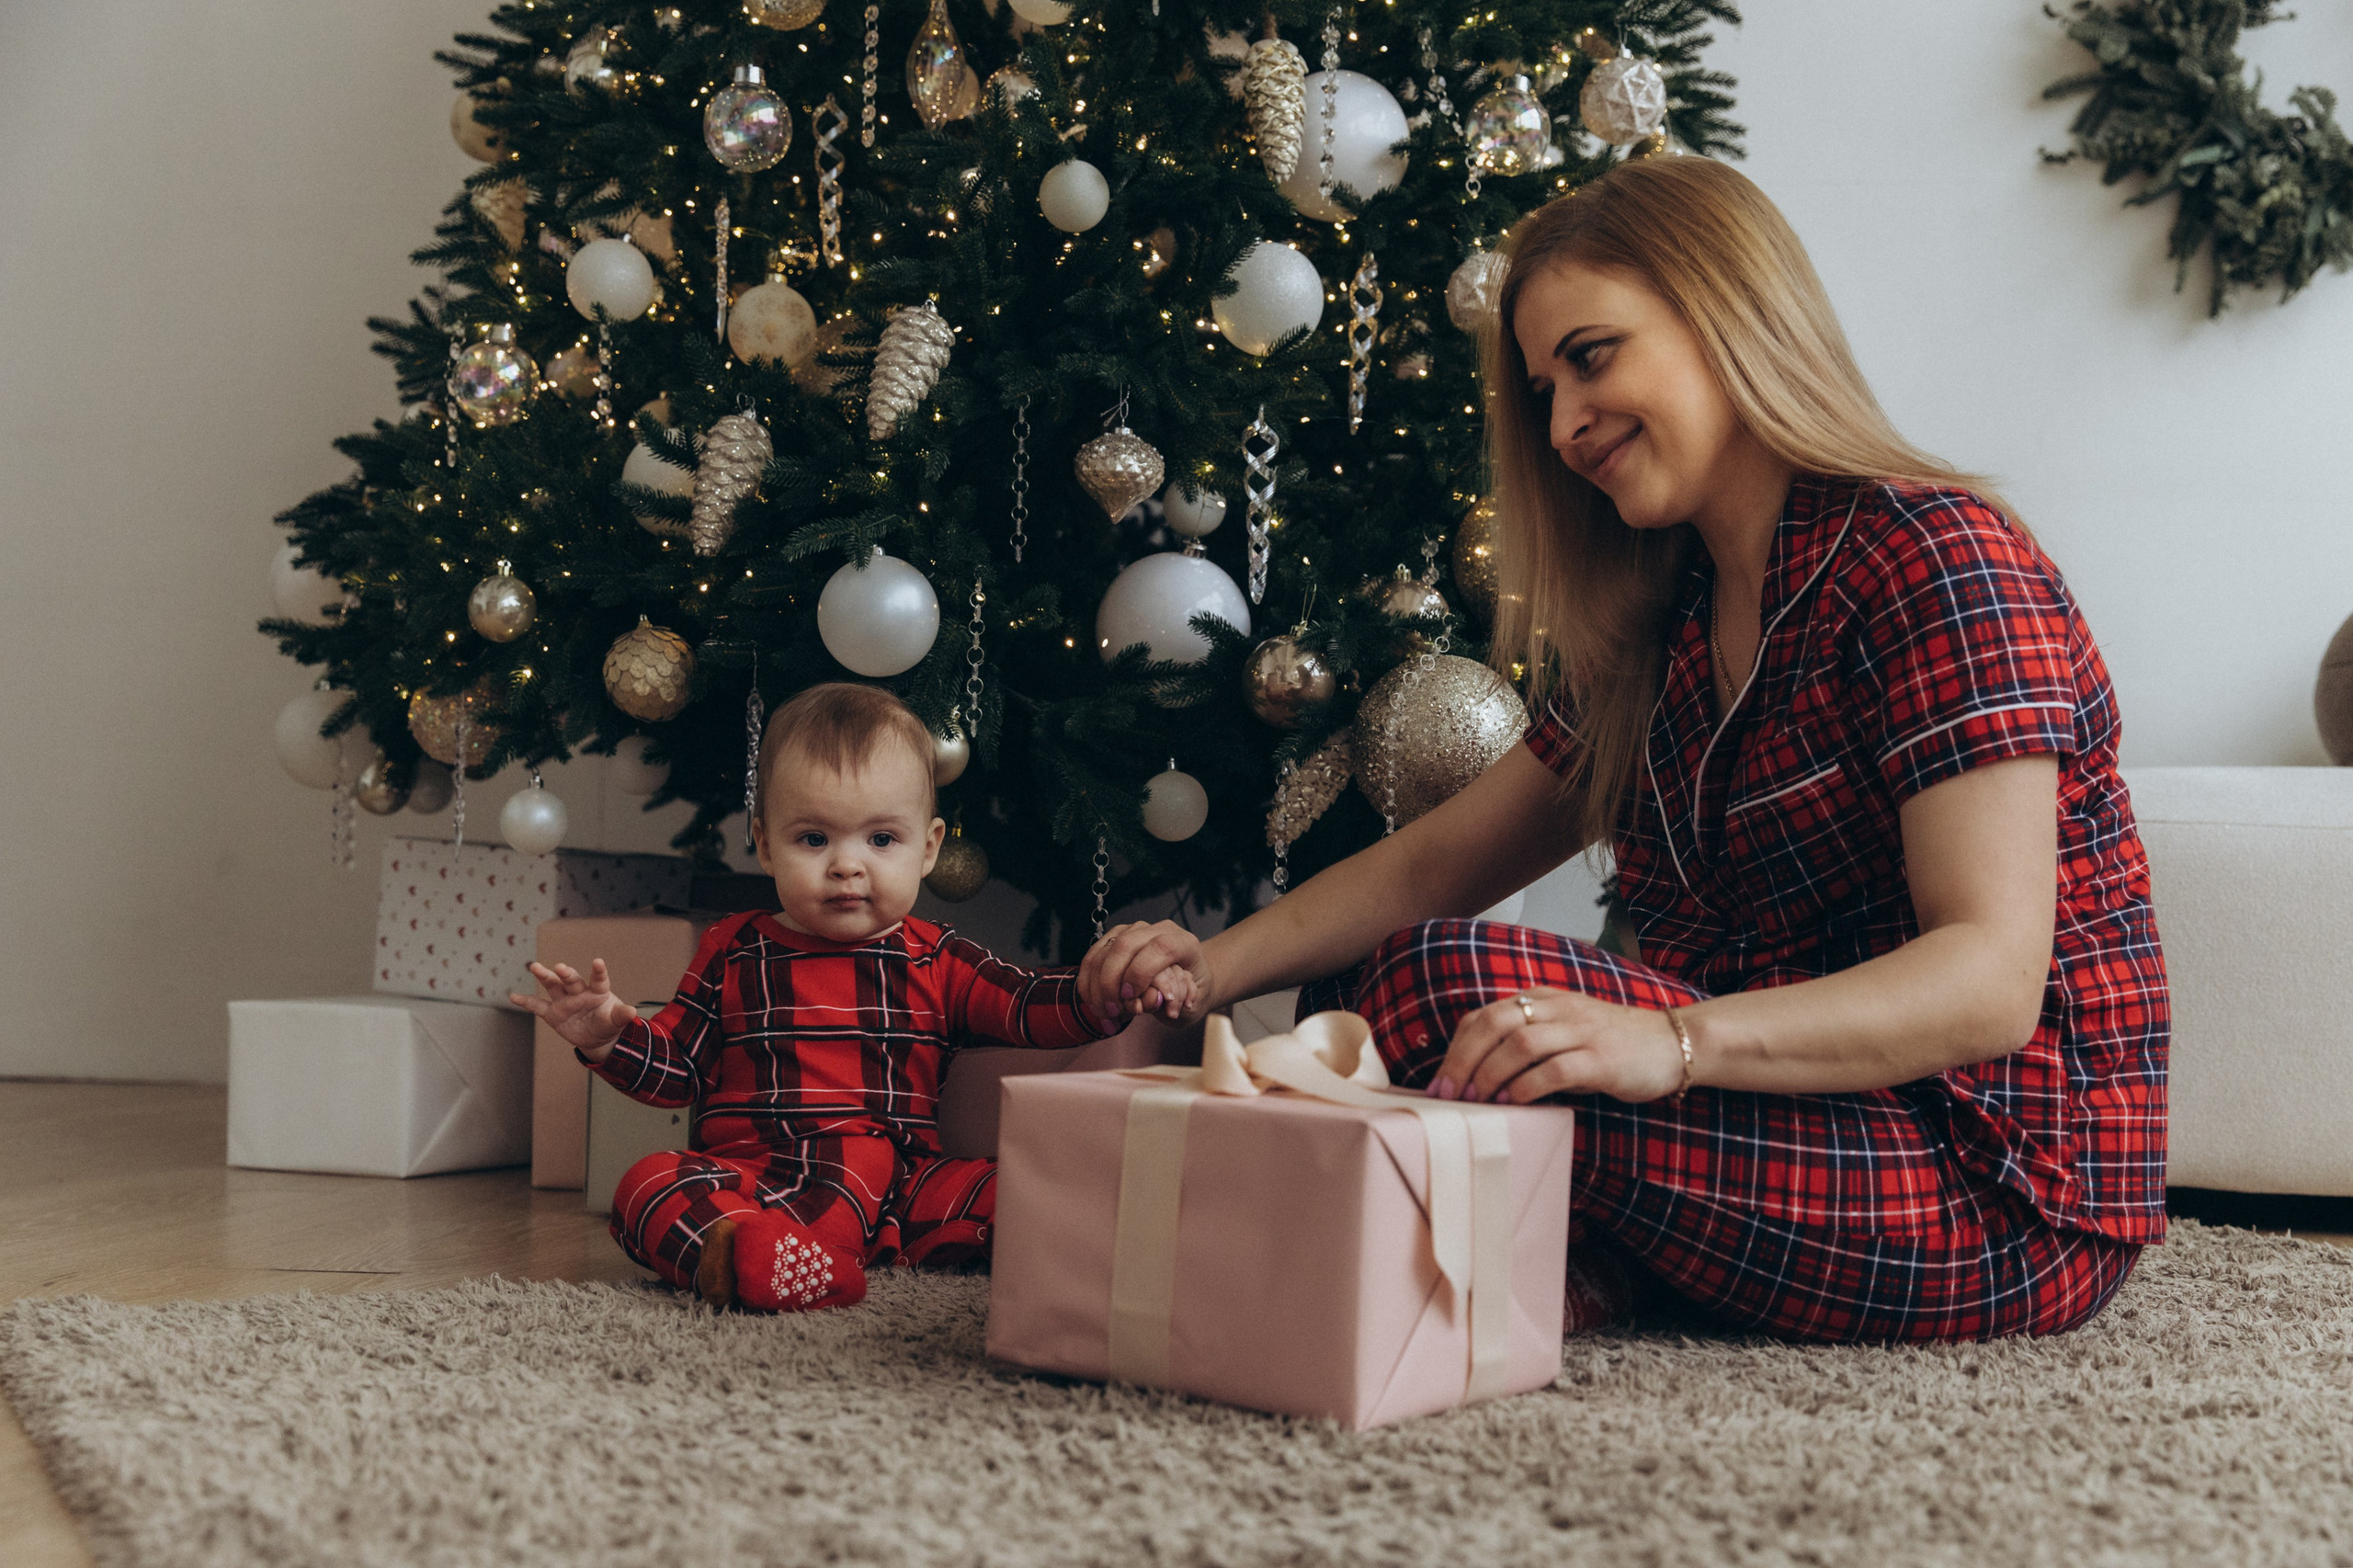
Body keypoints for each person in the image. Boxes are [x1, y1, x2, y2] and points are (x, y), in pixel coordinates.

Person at [1077, 157, 2167, 1345]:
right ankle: (1519, 1265)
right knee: (1373, 989)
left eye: (1592, 357)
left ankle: (1525, 1256)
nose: (1564, 424)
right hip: (1780, 1118)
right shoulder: (1673, 619)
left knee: (1439, 993)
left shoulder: (1939, 563)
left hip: (1997, 1179)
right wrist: (1204, 968)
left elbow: (1990, 981)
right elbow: (1432, 866)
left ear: (1729, 312)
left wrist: (1673, 1039)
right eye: (1545, 389)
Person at [515, 683, 1129, 1312]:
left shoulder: (937, 957)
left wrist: (1100, 990)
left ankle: (1095, 1249)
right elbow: (678, 1072)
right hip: (763, 1182)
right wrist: (611, 1037)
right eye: (814, 839)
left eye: (881, 840)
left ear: (930, 847)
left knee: (1034, 1186)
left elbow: (1024, 1004)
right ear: (765, 842)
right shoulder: (735, 949)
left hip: (901, 1192)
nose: (846, 866)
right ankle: (763, 1257)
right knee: (649, 1186)